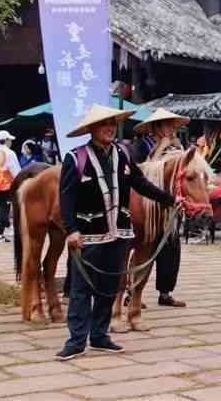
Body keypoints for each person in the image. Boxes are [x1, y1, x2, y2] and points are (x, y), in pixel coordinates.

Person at [56, 104, 178, 361]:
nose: (110, 128)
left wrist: (170, 199)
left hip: (120, 233)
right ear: (91, 129)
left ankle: (99, 336)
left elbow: (141, 184)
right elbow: (66, 199)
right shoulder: (75, 158)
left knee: (109, 287)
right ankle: (76, 341)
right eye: (104, 124)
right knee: (81, 289)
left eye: (113, 124)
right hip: (88, 235)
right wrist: (71, 230)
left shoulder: (123, 154)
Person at [133, 108, 190, 307]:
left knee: (171, 250)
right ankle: (132, 293)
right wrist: (159, 149)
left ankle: (165, 292)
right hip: (147, 205)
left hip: (171, 205)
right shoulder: (141, 145)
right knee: (143, 248)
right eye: (166, 125)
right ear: (155, 128)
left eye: (172, 125)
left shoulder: (179, 146)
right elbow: (139, 172)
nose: (170, 129)